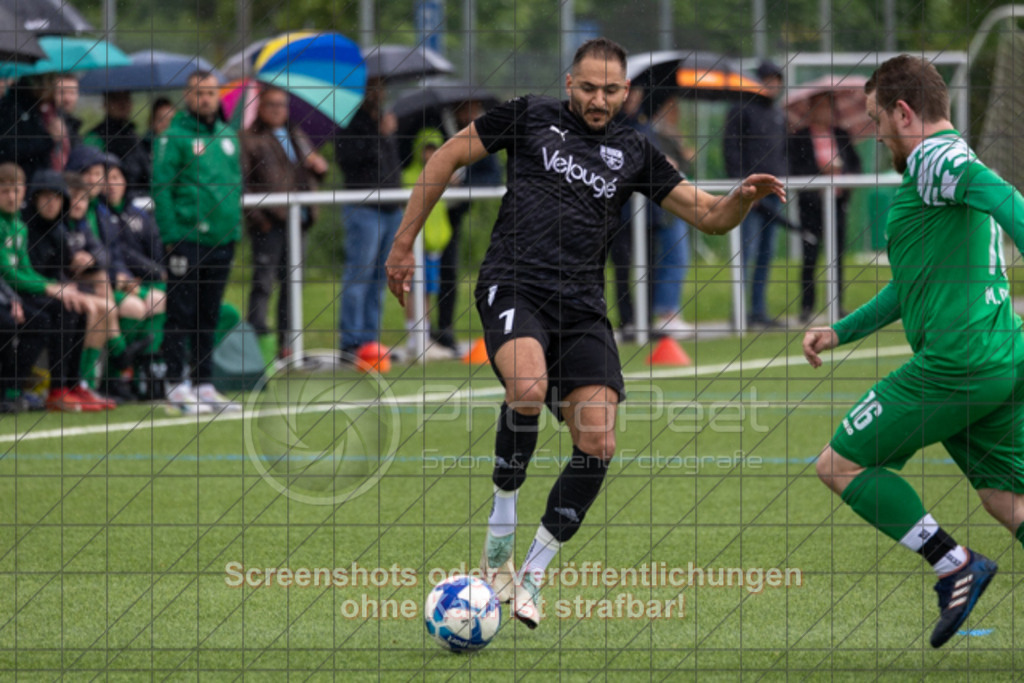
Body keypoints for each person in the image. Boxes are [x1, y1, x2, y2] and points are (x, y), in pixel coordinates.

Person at [386, 37, 785, 629]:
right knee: (526, 388)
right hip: (514, 286)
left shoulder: (635, 151)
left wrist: (742, 198)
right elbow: (444, 157)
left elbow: (707, 215)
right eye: (589, 87)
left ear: (627, 91)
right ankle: (497, 546)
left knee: (598, 443)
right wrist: (402, 244)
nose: (600, 99)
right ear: (570, 83)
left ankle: (533, 574)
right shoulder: (527, 115)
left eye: (612, 90)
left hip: (582, 309)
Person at [802, 54, 1024, 649]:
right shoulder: (937, 173)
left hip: (958, 363)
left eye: (876, 119)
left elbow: (1011, 201)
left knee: (839, 464)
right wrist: (841, 331)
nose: (874, 135)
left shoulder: (934, 156)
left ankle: (954, 564)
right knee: (1008, 498)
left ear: (904, 112)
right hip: (998, 357)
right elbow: (910, 285)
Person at [152, 70, 243, 414]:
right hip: (187, 241)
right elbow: (162, 189)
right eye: (198, 93)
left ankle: (204, 384)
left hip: (223, 240)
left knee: (209, 313)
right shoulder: (173, 137)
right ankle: (176, 384)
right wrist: (173, 235)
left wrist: (233, 228)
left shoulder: (226, 136)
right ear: (187, 98)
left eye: (210, 92)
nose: (205, 98)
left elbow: (235, 186)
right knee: (181, 313)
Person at [0, 163, 109, 411]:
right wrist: (52, 289)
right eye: (4, 191)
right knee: (48, 315)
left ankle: (71, 384)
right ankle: (28, 388)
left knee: (74, 307)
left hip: (18, 292)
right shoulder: (13, 224)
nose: (10, 197)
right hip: (12, 294)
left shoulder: (19, 226)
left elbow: (25, 269)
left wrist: (58, 287)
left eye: (15, 191)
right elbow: (7, 273)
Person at [240, 85, 328, 360]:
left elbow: (306, 174)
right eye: (272, 105)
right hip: (269, 223)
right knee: (264, 283)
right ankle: (256, 347)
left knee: (292, 284)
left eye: (282, 104)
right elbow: (242, 185)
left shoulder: (297, 135)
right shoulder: (249, 139)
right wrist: (259, 220)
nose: (278, 110)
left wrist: (319, 168)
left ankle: (286, 346)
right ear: (260, 108)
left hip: (298, 221)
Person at [335, 76, 403, 357]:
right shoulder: (350, 122)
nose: (379, 92)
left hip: (391, 208)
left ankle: (370, 341)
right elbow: (348, 160)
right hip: (364, 208)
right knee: (359, 276)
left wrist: (388, 133)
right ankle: (351, 342)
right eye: (373, 87)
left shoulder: (386, 121)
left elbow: (399, 162)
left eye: (382, 87)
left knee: (380, 279)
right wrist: (377, 133)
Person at [723, 60, 789, 328]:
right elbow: (731, 149)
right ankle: (738, 313)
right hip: (748, 195)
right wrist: (745, 189)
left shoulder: (777, 114)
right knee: (745, 253)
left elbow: (783, 153)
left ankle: (758, 311)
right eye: (767, 79)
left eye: (776, 79)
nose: (772, 85)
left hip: (773, 194)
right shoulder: (740, 109)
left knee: (766, 253)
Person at [435, 99, 502, 354]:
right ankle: (418, 335)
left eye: (477, 108)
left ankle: (444, 330)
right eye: (469, 109)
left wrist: (462, 182)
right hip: (431, 213)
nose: (474, 114)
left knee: (448, 271)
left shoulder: (479, 136)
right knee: (427, 273)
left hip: (452, 215)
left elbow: (493, 175)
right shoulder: (436, 129)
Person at [789, 91, 862, 322]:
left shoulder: (841, 135)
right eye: (819, 106)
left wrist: (842, 174)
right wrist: (820, 173)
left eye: (827, 107)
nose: (823, 112)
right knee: (810, 256)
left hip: (838, 204)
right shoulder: (799, 138)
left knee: (837, 255)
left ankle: (836, 305)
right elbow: (794, 169)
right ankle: (806, 307)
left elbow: (855, 166)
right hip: (811, 206)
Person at [104, 161, 168, 399]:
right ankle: (118, 373)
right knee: (135, 307)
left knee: (159, 299)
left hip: (137, 281)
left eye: (117, 178)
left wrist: (152, 271)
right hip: (112, 283)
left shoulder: (138, 214)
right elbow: (116, 253)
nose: (111, 185)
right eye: (106, 179)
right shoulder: (100, 214)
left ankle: (148, 370)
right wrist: (133, 276)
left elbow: (156, 250)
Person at [400, 127, 453, 361]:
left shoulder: (445, 175)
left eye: (435, 150)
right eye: (427, 150)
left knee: (430, 290)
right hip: (416, 244)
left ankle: (425, 336)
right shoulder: (409, 177)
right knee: (414, 291)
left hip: (435, 245)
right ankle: (415, 336)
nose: (430, 155)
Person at [83, 91, 152, 202]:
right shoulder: (96, 137)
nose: (122, 104)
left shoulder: (133, 135)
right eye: (116, 100)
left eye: (126, 99)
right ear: (105, 104)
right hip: (111, 200)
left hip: (141, 197)